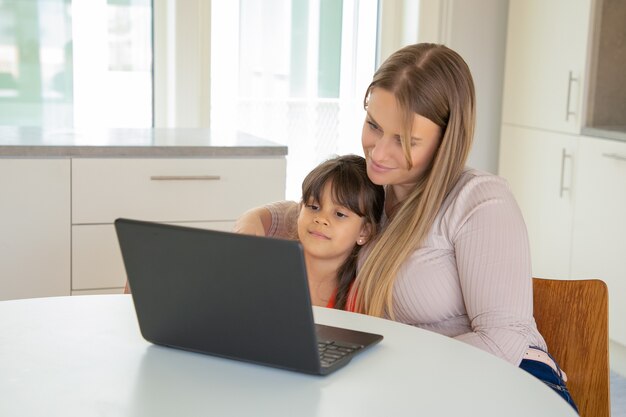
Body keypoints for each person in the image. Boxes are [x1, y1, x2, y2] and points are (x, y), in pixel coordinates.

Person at [234, 43, 578, 411]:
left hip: (510, 380)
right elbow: (302, 213)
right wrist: (252, 224)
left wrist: (388, 369)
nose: (379, 153)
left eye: (404, 141)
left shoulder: (479, 201)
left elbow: (503, 339)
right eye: (374, 126)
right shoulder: (375, 191)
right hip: (410, 386)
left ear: (446, 141)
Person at [288, 154, 384, 309]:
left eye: (339, 214)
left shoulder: (362, 300)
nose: (321, 219)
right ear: (300, 210)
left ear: (364, 232)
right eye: (314, 207)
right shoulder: (268, 271)